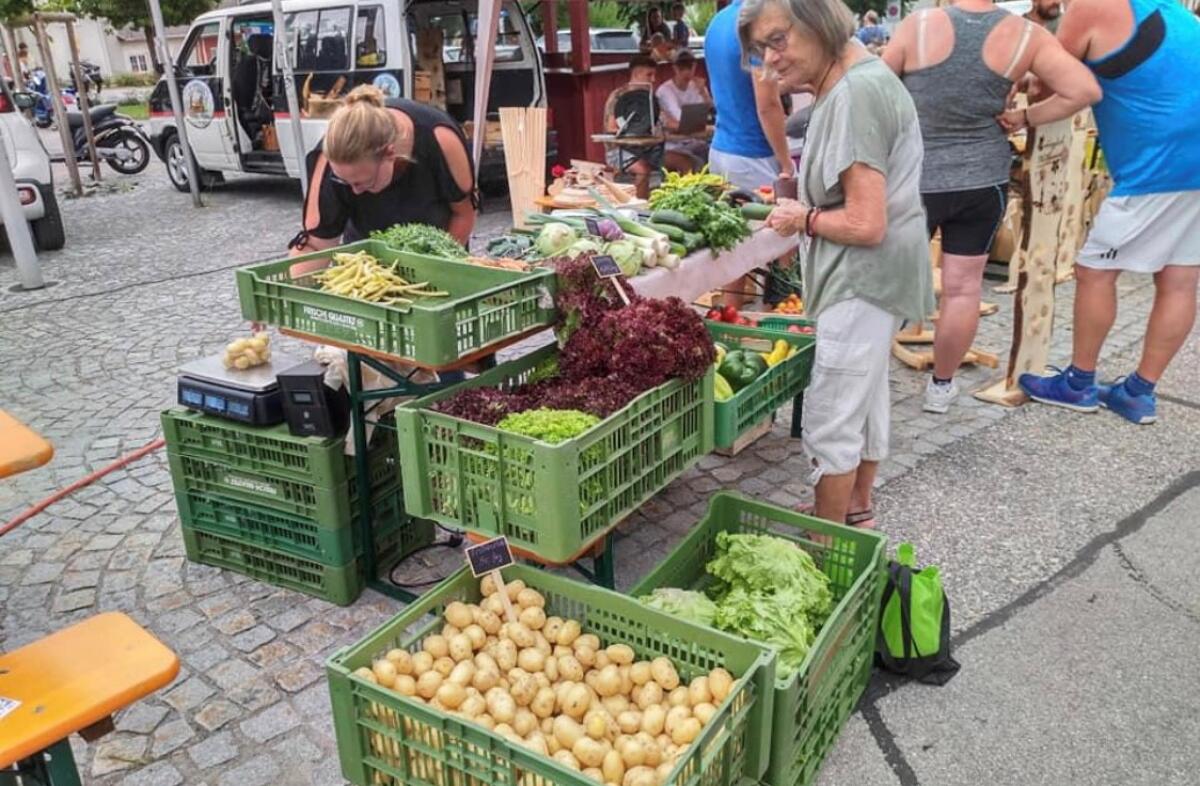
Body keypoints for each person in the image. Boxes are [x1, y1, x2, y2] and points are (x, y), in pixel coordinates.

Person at [742, 0, 935, 527]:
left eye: (777, 41)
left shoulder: (855, 95)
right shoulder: (852, 82)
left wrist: (801, 219)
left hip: (861, 278)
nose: (770, 60)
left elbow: (865, 223)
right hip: (877, 277)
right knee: (865, 394)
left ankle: (826, 543)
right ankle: (856, 507)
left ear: (819, 24)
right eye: (761, 50)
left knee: (831, 415)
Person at [883, 0, 1099, 414]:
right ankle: (940, 389)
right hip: (982, 180)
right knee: (963, 288)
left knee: (891, 282)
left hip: (915, 178)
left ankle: (867, 378)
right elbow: (1084, 90)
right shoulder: (1026, 35)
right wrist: (1026, 117)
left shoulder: (918, 25)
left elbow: (875, 89)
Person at [1017, 0, 1200, 425]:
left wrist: (1040, 26)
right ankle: (1138, 393)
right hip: (1191, 159)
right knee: (1179, 278)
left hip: (1157, 164)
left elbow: (1048, 86)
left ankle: (1079, 382)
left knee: (1095, 271)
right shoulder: (1172, 10)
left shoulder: (1094, 7)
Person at [289, 85, 476, 261]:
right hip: (366, 266)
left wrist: (435, 268)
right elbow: (316, 243)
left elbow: (464, 214)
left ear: (389, 153)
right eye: (344, 181)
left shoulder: (440, 139)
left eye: (363, 182)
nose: (356, 192)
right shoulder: (330, 155)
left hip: (437, 255)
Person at [706, 0, 794, 191]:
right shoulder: (758, 22)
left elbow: (734, 84)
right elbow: (767, 104)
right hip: (753, 155)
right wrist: (786, 162)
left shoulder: (717, 21)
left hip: (720, 149)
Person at [602, 55, 662, 199]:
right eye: (649, 75)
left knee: (680, 161)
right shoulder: (618, 96)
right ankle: (638, 205)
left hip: (647, 149)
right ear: (636, 74)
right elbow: (611, 127)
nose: (653, 79)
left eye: (654, 75)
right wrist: (634, 131)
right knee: (643, 169)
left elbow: (658, 125)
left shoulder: (649, 98)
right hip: (618, 150)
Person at [656, 49, 712, 173]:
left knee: (714, 154)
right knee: (693, 161)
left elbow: (708, 111)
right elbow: (680, 119)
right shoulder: (665, 90)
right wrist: (702, 128)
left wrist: (703, 92)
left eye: (690, 68)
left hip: (696, 140)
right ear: (675, 68)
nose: (686, 72)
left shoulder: (696, 86)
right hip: (673, 144)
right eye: (682, 68)